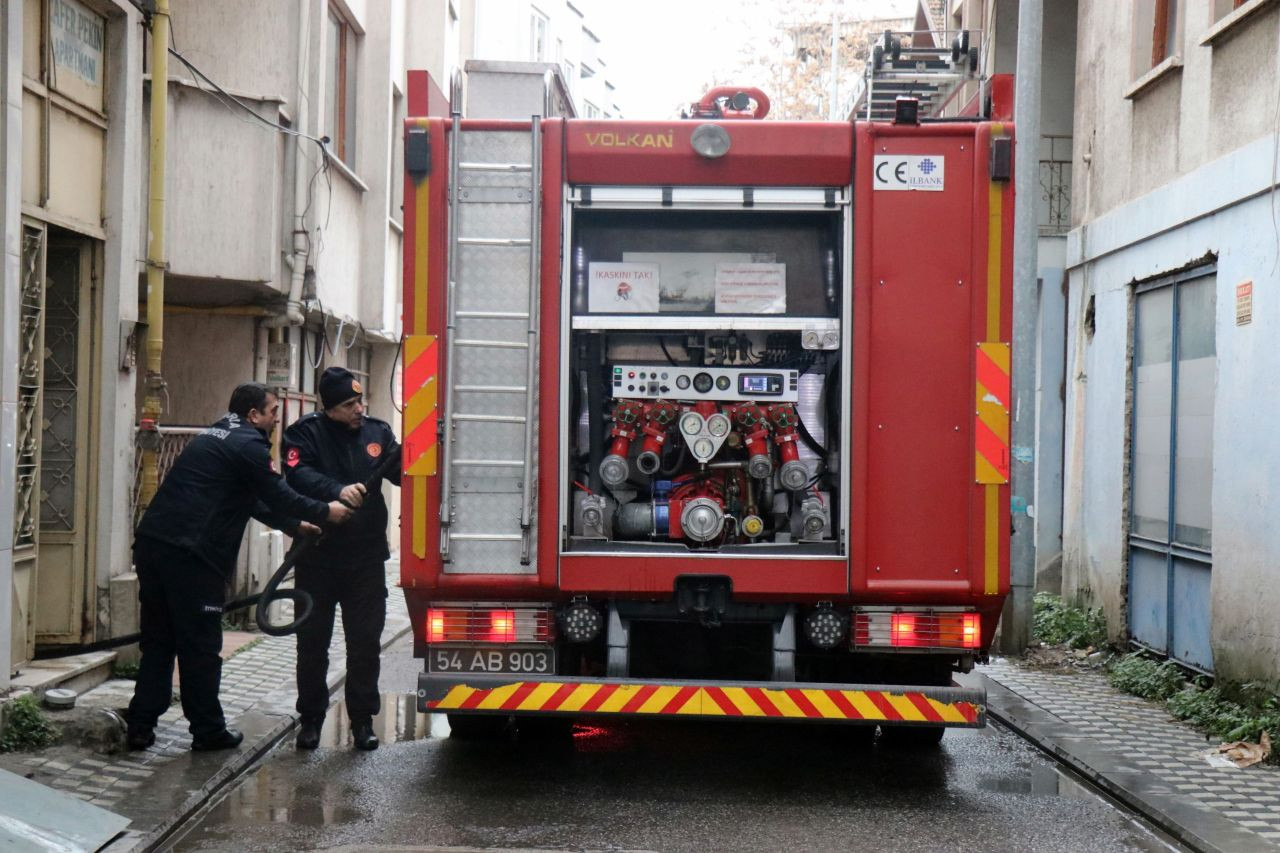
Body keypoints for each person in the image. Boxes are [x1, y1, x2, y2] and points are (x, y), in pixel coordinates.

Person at [127, 383, 353, 751]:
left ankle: (140, 726)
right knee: (200, 646)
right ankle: (208, 730)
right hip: (192, 556)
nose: (276, 418)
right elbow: (277, 493)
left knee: (159, 642)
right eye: (273, 411)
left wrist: (293, 526)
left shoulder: (217, 434)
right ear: (254, 415)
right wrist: (325, 510)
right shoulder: (248, 444)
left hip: (155, 547)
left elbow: (251, 499)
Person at [283, 367, 401, 751]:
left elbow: (402, 473)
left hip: (366, 559)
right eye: (350, 404)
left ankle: (363, 721)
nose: (358, 409)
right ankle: (311, 720)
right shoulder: (305, 433)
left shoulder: (377, 433)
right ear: (328, 406)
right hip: (318, 558)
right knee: (313, 644)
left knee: (365, 643)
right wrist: (336, 490)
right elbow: (298, 474)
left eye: (360, 400)